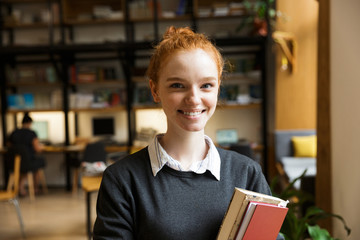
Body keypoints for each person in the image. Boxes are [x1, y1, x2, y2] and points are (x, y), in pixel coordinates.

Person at [93, 26, 283, 240]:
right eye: (177, 85)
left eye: (206, 85)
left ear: (218, 87)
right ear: (155, 90)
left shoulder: (247, 173)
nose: (193, 98)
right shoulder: (122, 179)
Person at [7, 112, 46, 196]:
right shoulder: (32, 133)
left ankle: (20, 187)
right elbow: (37, 149)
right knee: (38, 163)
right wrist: (42, 147)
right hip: (27, 163)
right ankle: (35, 189)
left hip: (14, 163)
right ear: (29, 123)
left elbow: (9, 146)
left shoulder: (14, 132)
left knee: (24, 165)